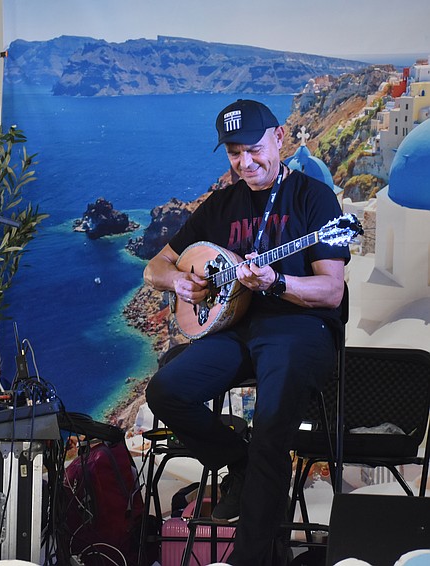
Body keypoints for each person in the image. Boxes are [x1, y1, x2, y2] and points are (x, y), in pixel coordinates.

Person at [143, 99, 348, 565]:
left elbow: (332, 291)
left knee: (272, 430)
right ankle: (239, 461)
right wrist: (177, 280)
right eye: (234, 153)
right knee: (167, 390)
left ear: (279, 138)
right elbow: (156, 266)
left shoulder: (313, 198)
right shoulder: (222, 205)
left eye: (254, 149)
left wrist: (279, 281)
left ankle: (250, 558)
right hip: (237, 328)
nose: (245, 163)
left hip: (298, 328)